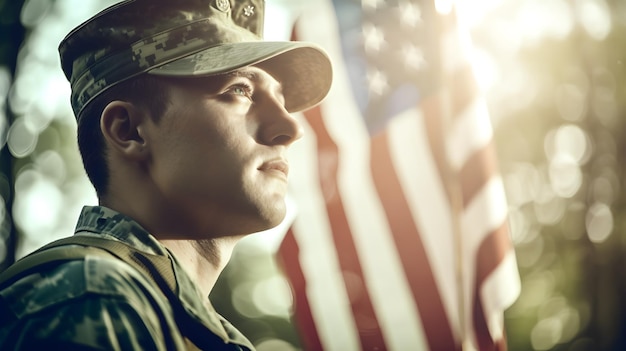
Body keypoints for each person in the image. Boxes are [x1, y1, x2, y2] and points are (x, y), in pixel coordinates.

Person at [0, 0, 332, 349]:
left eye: (281, 100)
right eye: (239, 90)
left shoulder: (181, 322)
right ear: (129, 131)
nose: (291, 127)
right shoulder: (93, 297)